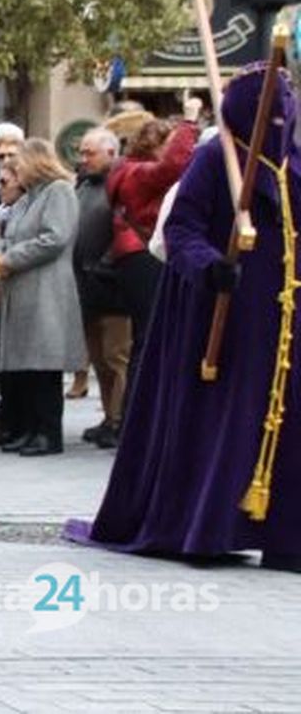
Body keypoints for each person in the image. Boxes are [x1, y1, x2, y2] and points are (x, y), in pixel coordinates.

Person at [67, 64, 300, 572]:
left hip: (282, 323)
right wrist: (211, 267)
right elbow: (181, 227)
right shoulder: (216, 159)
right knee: (226, 419)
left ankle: (285, 535)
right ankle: (208, 528)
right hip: (223, 314)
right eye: (270, 108)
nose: (281, 116)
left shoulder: (291, 163)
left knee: (283, 423)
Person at [0, 139, 85, 457]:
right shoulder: (28, 198)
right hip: (22, 290)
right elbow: (6, 234)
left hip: (47, 290)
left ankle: (48, 434)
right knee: (26, 367)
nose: (14, 171)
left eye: (19, 164)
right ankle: (29, 429)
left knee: (44, 367)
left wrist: (10, 258)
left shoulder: (59, 191)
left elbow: (54, 238)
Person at [106, 102, 200, 392]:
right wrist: (189, 123)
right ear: (154, 145)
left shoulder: (128, 170)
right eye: (170, 145)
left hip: (135, 256)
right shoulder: (138, 172)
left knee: (145, 338)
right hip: (143, 256)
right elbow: (173, 166)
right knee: (149, 338)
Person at [71, 128, 131, 448]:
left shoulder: (121, 182)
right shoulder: (84, 185)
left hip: (114, 288)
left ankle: (121, 419)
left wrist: (104, 265)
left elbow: (125, 228)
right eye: (81, 153)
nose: (84, 159)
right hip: (87, 288)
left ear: (111, 152)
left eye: (89, 153)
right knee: (98, 359)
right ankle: (109, 416)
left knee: (116, 356)